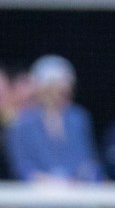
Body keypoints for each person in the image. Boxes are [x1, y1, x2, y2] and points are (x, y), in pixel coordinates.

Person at [4, 55, 103, 183]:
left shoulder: (78, 118)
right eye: (56, 87)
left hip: (77, 193)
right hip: (36, 196)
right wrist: (51, 182)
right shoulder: (21, 123)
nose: (64, 90)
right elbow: (21, 167)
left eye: (67, 85)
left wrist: (85, 178)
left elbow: (88, 161)